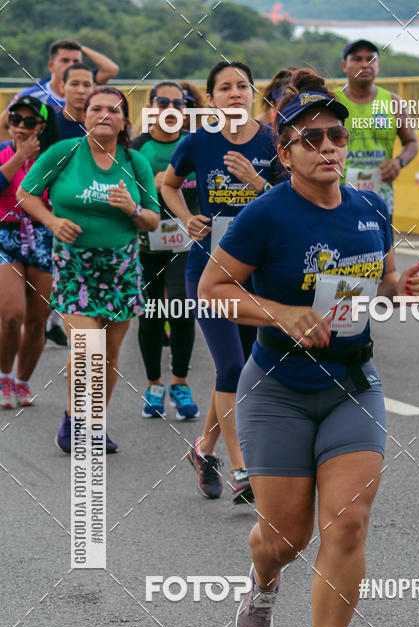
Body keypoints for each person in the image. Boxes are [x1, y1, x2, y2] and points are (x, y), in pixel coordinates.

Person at [199, 68, 419, 627]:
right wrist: (282, 314)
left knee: (349, 521)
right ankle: (263, 580)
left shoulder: (370, 210)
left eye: (336, 136)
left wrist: (396, 292)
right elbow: (212, 291)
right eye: (312, 138)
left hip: (353, 385)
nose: (328, 146)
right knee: (285, 536)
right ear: (286, 153)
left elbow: (368, 288)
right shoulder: (264, 215)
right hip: (276, 388)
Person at [162, 60, 286, 503]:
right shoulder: (198, 141)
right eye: (225, 88)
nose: (235, 93)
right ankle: (242, 469)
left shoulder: (274, 140)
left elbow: (295, 200)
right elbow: (169, 184)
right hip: (209, 270)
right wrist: (186, 216)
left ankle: (203, 449)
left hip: (258, 273)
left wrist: (257, 182)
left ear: (254, 93)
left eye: (243, 86)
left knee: (240, 368)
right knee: (231, 367)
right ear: (211, 98)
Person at [18, 87, 159, 453]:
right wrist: (51, 221)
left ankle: (91, 424)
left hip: (121, 266)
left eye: (113, 110)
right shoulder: (63, 154)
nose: (103, 115)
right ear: (84, 116)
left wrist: (132, 208)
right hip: (74, 263)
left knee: (109, 352)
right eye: (96, 108)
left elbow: (153, 220)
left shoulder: (135, 162)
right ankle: (77, 419)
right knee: (88, 346)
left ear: (125, 120)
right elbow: (26, 193)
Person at [131, 80, 199, 420]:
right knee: (152, 313)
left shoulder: (195, 144)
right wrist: (151, 185)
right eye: (163, 102)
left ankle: (181, 383)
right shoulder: (137, 146)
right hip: (146, 241)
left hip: (184, 240)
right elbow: (121, 189)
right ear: (151, 106)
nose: (170, 109)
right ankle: (154, 385)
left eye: (178, 103)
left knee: (183, 307)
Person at [0, 97, 59, 408]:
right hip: (4, 234)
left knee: (38, 319)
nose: (21, 126)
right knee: (12, 315)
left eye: (29, 122)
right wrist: (19, 156)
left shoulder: (52, 158)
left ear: (42, 127)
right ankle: (3, 376)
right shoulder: (1, 152)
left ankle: (22, 383)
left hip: (41, 235)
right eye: (16, 119)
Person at [334, 40, 418, 217]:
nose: (365, 64)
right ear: (344, 65)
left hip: (381, 197)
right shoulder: (332, 101)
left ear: (378, 65)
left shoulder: (393, 102)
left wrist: (399, 161)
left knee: (383, 245)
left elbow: (412, 142)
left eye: (370, 59)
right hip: (339, 196)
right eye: (357, 59)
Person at [0, 39, 118, 139]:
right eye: (65, 60)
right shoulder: (32, 95)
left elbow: (111, 70)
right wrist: (15, 153)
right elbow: (2, 125)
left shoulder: (85, 87)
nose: (71, 64)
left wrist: (81, 48)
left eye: (76, 61)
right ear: (51, 66)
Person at [56, 63, 95, 139]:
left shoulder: (100, 126)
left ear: (94, 88)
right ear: (62, 87)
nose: (81, 91)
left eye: (87, 85)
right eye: (74, 84)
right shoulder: (49, 125)